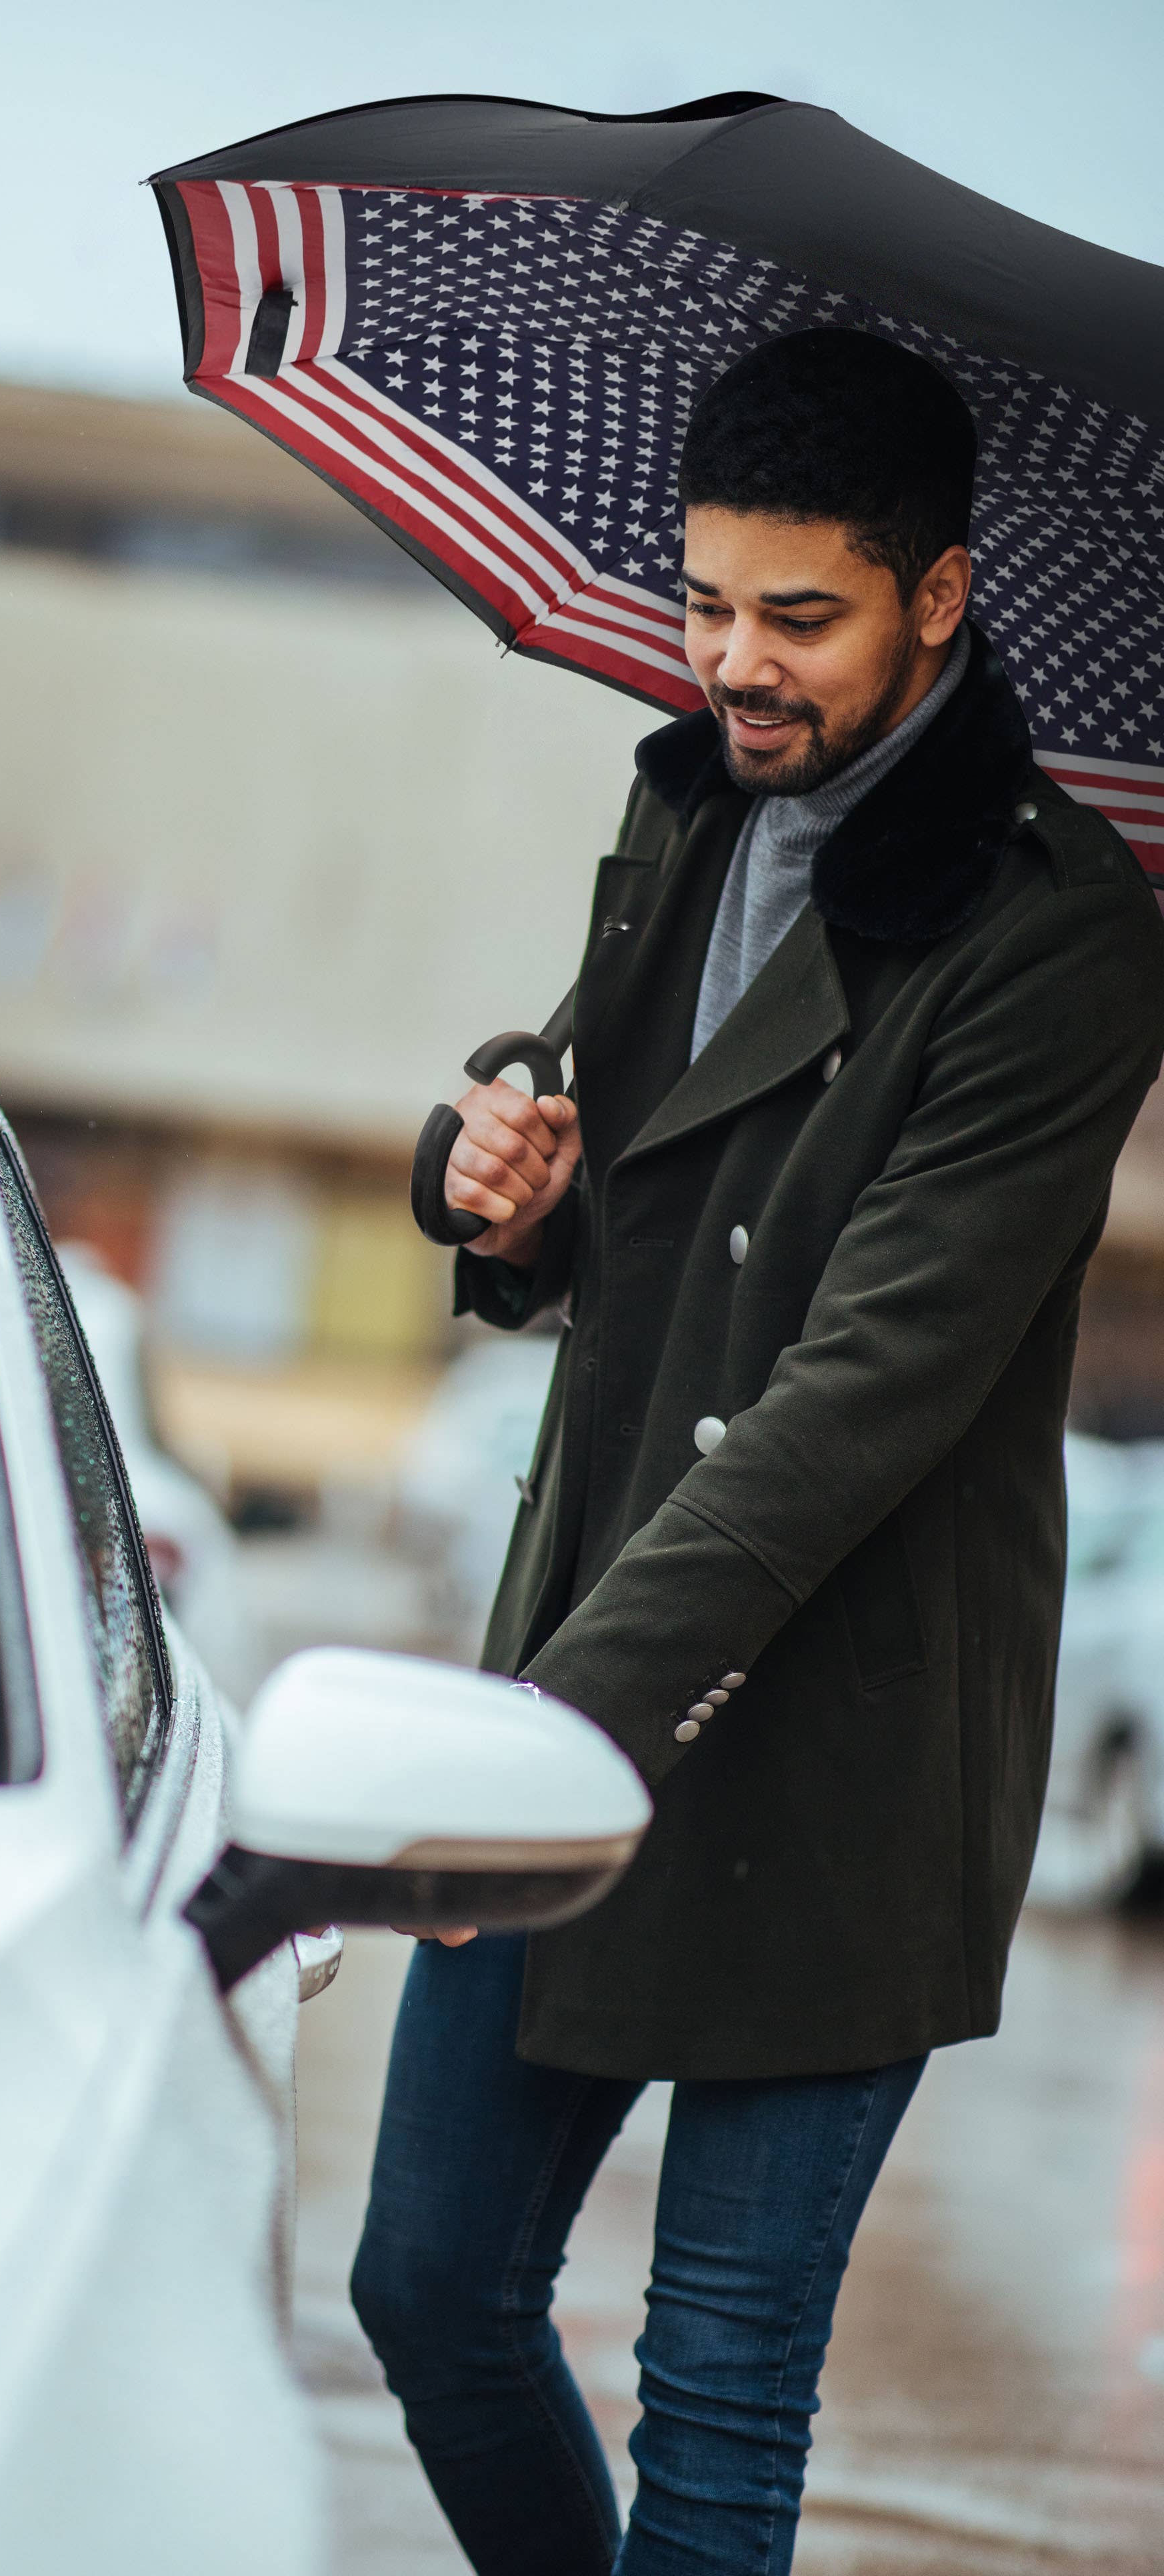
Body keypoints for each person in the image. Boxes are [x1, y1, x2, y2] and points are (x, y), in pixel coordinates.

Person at [352, 328, 1164, 2576]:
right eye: (706, 601)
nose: (734, 661)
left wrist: (548, 1731)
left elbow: (859, 1392)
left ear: (941, 594)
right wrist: (493, 1179)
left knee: (719, 2405)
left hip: (836, 1747)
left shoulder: (1061, 938)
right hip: (599, 1644)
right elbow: (627, 1175)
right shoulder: (687, 806)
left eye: (797, 616)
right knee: (426, 2284)